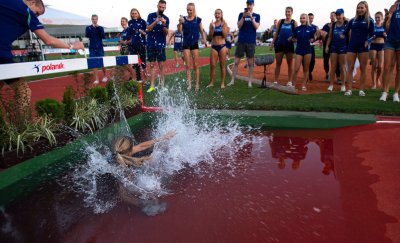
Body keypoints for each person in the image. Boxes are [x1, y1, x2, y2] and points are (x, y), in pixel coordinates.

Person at [0, 0, 83, 111]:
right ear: (32, 2)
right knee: (23, 91)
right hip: (1, 54)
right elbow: (48, 40)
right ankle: (20, 126)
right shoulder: (28, 12)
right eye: (38, 13)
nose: (36, 17)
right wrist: (72, 46)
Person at [341, 1, 374, 96]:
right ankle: (349, 90)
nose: (359, 9)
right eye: (358, 8)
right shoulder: (352, 20)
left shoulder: (370, 20)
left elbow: (373, 35)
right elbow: (346, 31)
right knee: (350, 68)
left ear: (366, 9)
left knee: (363, 69)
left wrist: (368, 41)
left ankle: (361, 90)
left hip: (363, 47)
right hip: (352, 46)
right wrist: (342, 35)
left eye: (362, 8)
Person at [227, 0, 260, 88]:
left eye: (250, 4)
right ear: (246, 5)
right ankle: (232, 80)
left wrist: (252, 17)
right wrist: (243, 17)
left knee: (250, 63)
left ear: (253, 5)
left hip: (251, 42)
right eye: (248, 4)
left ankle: (250, 81)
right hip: (241, 41)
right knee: (236, 61)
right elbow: (239, 26)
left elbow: (256, 27)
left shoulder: (257, 15)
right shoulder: (241, 14)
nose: (249, 6)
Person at [178, 2, 207, 91]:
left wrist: (204, 39)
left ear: (193, 10)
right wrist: (180, 23)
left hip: (194, 43)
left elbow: (202, 31)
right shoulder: (183, 19)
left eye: (190, 10)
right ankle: (189, 85)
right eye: (187, 10)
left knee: (196, 65)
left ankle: (197, 84)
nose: (189, 11)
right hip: (186, 44)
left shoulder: (198, 19)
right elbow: (179, 31)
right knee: (188, 66)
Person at [112, 131, 176, 167]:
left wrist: (163, 138)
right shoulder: (122, 169)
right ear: (129, 151)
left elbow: (141, 146)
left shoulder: (117, 152)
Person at [146, 0, 169, 92]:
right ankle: (152, 85)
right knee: (152, 65)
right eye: (160, 7)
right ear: (157, 6)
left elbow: (166, 33)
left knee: (161, 66)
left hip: (161, 44)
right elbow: (148, 28)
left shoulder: (166, 18)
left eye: (163, 7)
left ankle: (162, 85)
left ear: (165, 8)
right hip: (151, 43)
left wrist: (164, 24)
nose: (161, 8)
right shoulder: (150, 16)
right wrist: (156, 21)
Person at [271, 6, 297, 86]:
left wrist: (293, 39)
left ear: (292, 12)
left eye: (289, 11)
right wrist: (272, 43)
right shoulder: (281, 21)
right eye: (286, 11)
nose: (287, 13)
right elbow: (276, 33)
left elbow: (296, 35)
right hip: (280, 44)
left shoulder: (294, 22)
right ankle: (275, 81)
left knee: (290, 63)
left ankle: (289, 81)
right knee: (278, 63)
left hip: (289, 46)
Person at [380, 0, 400, 102]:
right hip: (390, 40)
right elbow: (386, 28)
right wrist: (387, 18)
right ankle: (385, 92)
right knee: (387, 67)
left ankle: (396, 93)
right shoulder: (394, 6)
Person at [290, 13, 315, 91]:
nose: (302, 19)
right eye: (301, 18)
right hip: (299, 50)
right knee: (296, 68)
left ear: (306, 19)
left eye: (303, 18)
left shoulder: (310, 29)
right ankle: (293, 84)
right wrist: (293, 39)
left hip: (308, 50)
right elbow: (293, 38)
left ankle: (304, 85)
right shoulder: (297, 29)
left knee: (306, 69)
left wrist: (312, 40)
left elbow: (313, 38)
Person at [325, 9, 348, 92]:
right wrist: (327, 46)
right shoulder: (333, 24)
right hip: (334, 47)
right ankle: (331, 84)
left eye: (339, 15)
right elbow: (330, 36)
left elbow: (350, 36)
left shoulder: (346, 24)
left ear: (343, 15)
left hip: (343, 47)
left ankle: (343, 85)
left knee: (342, 67)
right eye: (337, 15)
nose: (338, 16)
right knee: (333, 66)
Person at [208, 9, 229, 89]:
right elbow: (210, 36)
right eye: (216, 13)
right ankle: (211, 82)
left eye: (219, 13)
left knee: (222, 65)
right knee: (212, 65)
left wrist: (222, 27)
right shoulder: (211, 24)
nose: (217, 15)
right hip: (214, 46)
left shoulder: (224, 23)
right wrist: (213, 28)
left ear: (221, 15)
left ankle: (222, 83)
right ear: (214, 15)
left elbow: (224, 35)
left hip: (222, 46)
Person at [86, 14, 108, 84]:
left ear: (97, 20)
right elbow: (87, 35)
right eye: (93, 19)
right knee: (94, 63)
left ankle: (105, 76)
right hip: (92, 48)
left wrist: (98, 28)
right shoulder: (88, 28)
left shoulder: (101, 28)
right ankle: (96, 79)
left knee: (102, 63)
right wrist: (92, 28)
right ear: (91, 20)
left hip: (99, 48)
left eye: (95, 19)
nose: (94, 20)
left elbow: (103, 36)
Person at [128, 8, 148, 82]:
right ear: (131, 14)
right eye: (132, 13)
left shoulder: (143, 21)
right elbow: (130, 33)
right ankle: (135, 79)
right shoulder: (130, 22)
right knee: (134, 64)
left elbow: (147, 32)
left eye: (135, 13)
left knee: (143, 64)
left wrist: (142, 32)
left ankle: (146, 80)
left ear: (138, 14)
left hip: (142, 45)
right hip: (133, 46)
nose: (134, 15)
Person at [369, 11, 386, 89]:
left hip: (381, 46)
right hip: (373, 45)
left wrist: (385, 35)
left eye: (378, 17)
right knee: (374, 66)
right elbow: (370, 36)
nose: (377, 19)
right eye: (376, 17)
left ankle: (377, 78)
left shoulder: (384, 26)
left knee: (380, 66)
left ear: (382, 18)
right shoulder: (372, 26)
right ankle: (374, 83)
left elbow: (387, 36)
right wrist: (373, 37)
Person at [321, 12, 338, 81]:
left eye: (334, 16)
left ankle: (338, 76)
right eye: (331, 16)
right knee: (326, 60)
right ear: (330, 17)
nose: (333, 17)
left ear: (336, 16)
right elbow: (321, 33)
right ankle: (327, 73)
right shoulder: (326, 26)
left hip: (335, 45)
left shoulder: (338, 25)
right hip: (326, 45)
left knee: (337, 61)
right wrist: (321, 40)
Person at [118, 17, 136, 81]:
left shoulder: (129, 29)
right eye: (121, 21)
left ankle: (134, 78)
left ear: (126, 22)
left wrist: (126, 42)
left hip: (129, 48)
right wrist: (120, 44)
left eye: (123, 21)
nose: (122, 22)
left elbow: (132, 39)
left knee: (128, 64)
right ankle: (132, 75)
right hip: (123, 49)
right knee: (123, 64)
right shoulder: (122, 32)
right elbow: (122, 41)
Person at [308, 13, 320, 82]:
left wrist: (316, 38)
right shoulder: (304, 26)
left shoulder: (315, 27)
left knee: (313, 61)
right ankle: (307, 73)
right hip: (305, 46)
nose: (310, 19)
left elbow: (318, 35)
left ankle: (309, 71)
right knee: (305, 61)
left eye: (312, 18)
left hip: (311, 46)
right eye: (309, 18)